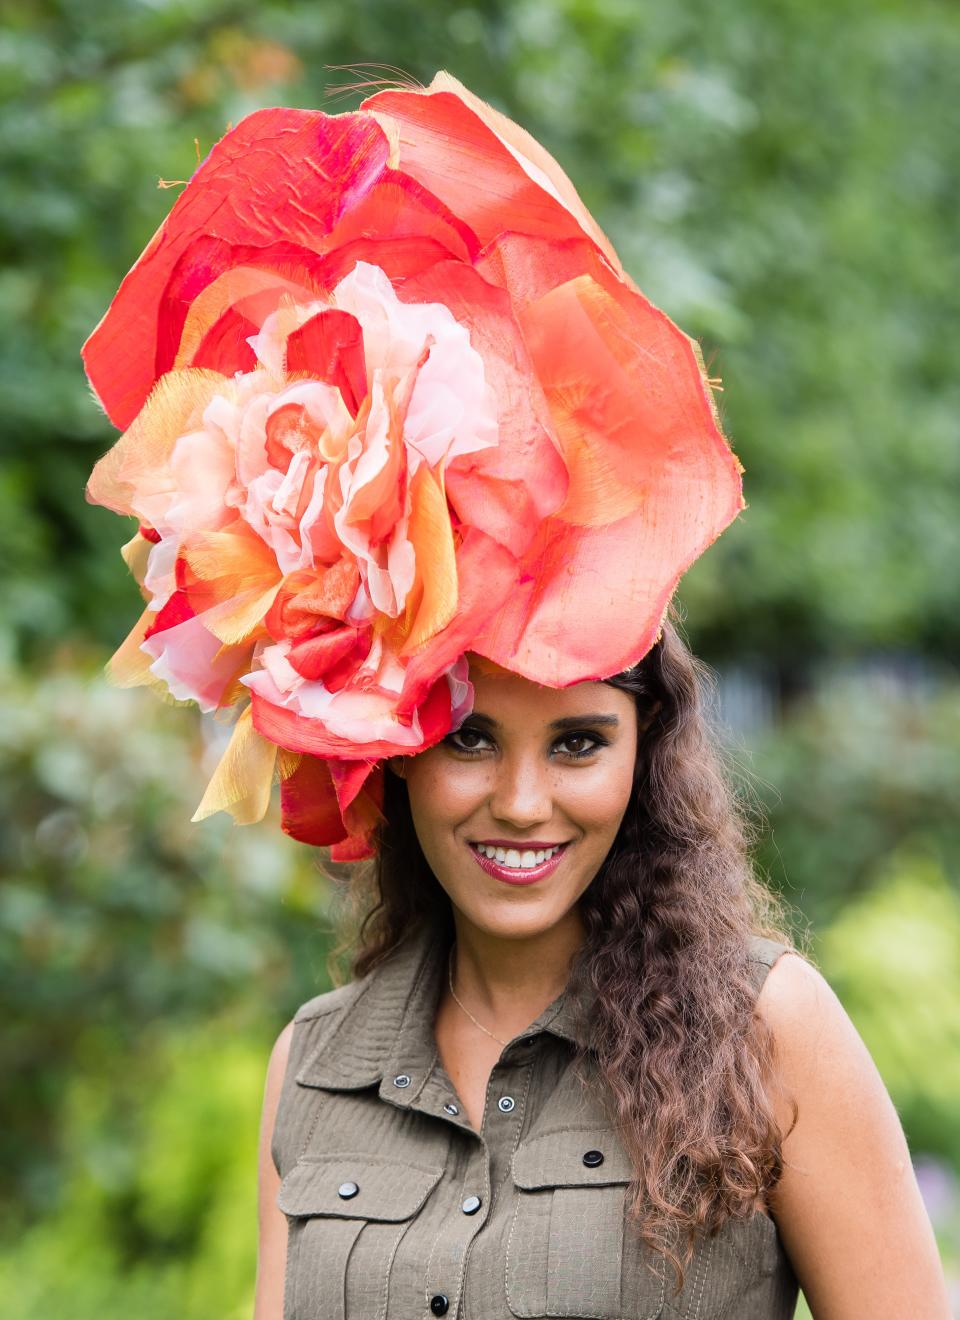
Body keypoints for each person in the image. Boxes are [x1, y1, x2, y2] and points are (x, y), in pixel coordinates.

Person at [81, 72, 950, 1320]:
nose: (526, 802)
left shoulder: (770, 1036)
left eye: (581, 742)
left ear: (645, 755)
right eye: (473, 736)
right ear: (398, 749)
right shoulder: (313, 1071)